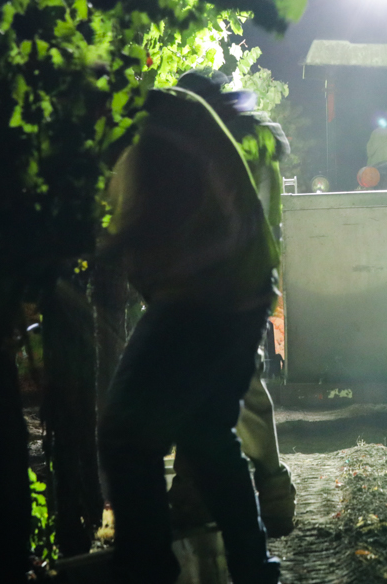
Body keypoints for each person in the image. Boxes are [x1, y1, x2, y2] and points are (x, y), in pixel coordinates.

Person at [97, 86, 281, 584]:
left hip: (203, 293)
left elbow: (142, 219)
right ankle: (253, 567)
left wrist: (93, 242)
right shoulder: (166, 114)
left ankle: (147, 570)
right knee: (205, 432)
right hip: (240, 288)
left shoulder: (152, 128)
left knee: (124, 433)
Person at [169, 71, 297, 538]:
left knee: (231, 387)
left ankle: (215, 493)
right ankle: (261, 492)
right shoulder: (248, 139)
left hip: (222, 283)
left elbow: (245, 218)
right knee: (228, 386)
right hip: (235, 280)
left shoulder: (226, 142)